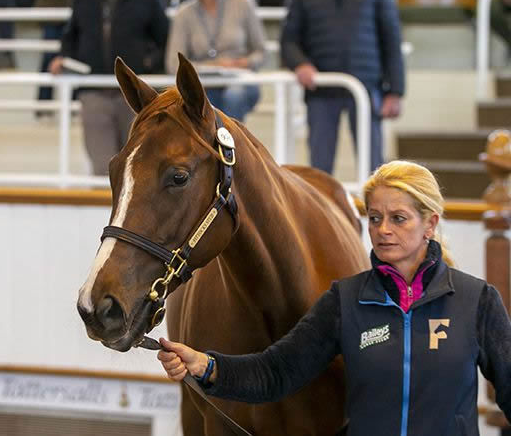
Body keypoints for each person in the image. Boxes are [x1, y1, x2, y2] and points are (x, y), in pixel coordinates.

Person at [158, 160, 511, 436]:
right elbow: (276, 371)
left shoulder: (478, 302)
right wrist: (207, 366)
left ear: (430, 224)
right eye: (375, 218)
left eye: (398, 218)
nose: (383, 230)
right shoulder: (345, 301)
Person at [280, 0, 405, 174]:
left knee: (374, 166)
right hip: (321, 90)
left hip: (367, 89)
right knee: (319, 170)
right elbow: (288, 41)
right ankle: (320, 204)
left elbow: (392, 39)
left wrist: (395, 91)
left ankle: (376, 204)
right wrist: (300, 64)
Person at [48, 0, 169, 175]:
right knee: (103, 168)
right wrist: (64, 58)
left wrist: (147, 63)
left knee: (138, 167)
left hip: (134, 97)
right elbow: (71, 37)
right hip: (93, 91)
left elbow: (165, 40)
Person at [165, 0, 266, 122]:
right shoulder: (184, 13)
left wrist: (244, 63)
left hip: (240, 79)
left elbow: (261, 52)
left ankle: (229, 140)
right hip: (203, 83)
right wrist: (210, 66)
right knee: (202, 101)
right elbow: (173, 64)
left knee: (233, 96)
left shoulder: (243, 4)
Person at [34, 0, 75, 118]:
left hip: (74, 8)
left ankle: (73, 105)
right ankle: (43, 106)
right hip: (53, 7)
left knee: (73, 61)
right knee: (48, 59)